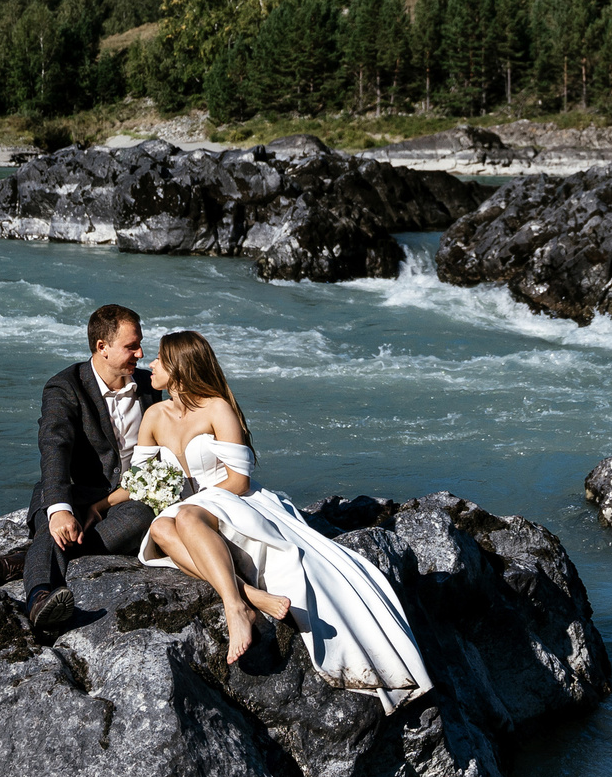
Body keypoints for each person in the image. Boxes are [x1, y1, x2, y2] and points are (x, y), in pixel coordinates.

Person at [133, 330, 431, 712]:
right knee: (160, 528)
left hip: (234, 499)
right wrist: (92, 506)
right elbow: (137, 479)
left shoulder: (217, 407)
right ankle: (250, 596)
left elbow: (239, 480)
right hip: (192, 507)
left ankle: (235, 607)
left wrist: (192, 504)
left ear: (179, 366)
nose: (151, 365)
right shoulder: (154, 415)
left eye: (159, 358)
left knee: (187, 517)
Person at [22, 303, 155, 635]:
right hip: (75, 491)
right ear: (102, 347)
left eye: (140, 344)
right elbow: (54, 446)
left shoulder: (150, 385)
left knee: (142, 518)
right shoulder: (65, 386)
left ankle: (26, 561)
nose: (140, 353)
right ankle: (39, 599)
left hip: (125, 500)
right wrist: (60, 509)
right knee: (52, 522)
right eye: (131, 346)